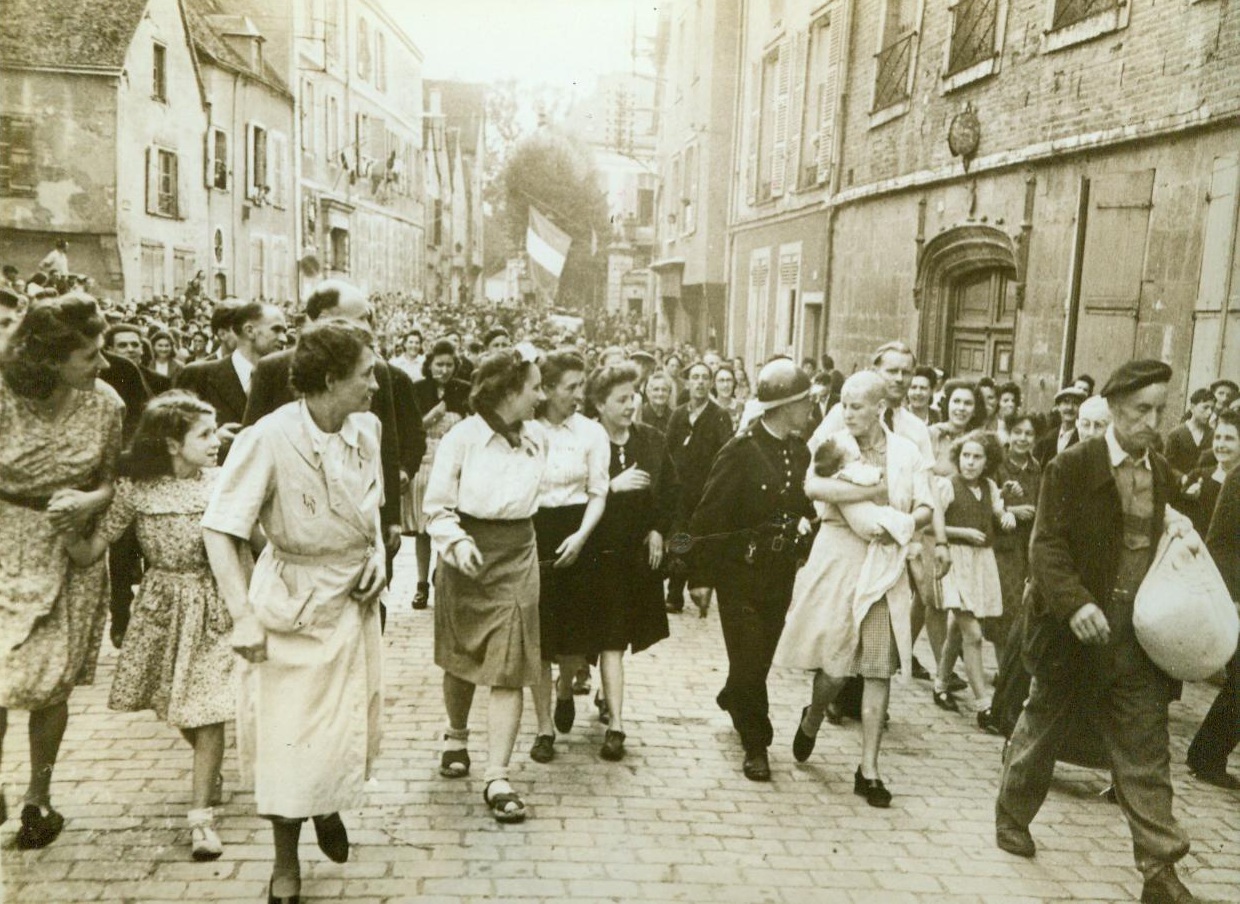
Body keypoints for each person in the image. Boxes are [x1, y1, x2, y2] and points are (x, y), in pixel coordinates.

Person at [995, 359, 1200, 904]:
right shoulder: (1071, 466)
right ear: (1112, 409)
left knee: (1144, 750)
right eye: (1141, 411)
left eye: (1160, 410)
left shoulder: (1158, 473)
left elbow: (1157, 535)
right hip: (1071, 632)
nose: (1153, 422)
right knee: (1043, 727)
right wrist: (1076, 604)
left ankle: (1160, 873)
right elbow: (1046, 546)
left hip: (1133, 638)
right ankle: (1012, 815)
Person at [202, 319, 387, 903]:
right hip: (291, 603)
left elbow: (371, 507)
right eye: (365, 374)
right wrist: (243, 615)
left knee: (347, 726)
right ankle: (286, 864)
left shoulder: (367, 429)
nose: (375, 384)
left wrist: (378, 556)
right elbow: (218, 528)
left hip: (353, 602)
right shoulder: (268, 437)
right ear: (330, 380)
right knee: (289, 740)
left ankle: (326, 802)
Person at [60, 392, 232, 861]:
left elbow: (252, 541)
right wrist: (64, 524)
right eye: (205, 434)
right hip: (161, 606)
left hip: (214, 602)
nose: (216, 442)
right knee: (178, 706)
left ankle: (201, 821)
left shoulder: (223, 482)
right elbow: (94, 548)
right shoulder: (136, 489)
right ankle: (208, 765)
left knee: (207, 706)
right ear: (172, 444)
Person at [775, 370, 934, 804]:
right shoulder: (835, 444)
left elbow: (925, 504)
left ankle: (869, 769)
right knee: (836, 668)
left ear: (880, 408)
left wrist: (902, 523)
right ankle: (812, 718)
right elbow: (812, 486)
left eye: (856, 405)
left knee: (878, 667)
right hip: (841, 558)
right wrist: (871, 494)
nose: (847, 413)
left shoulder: (906, 451)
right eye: (843, 404)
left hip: (885, 564)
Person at [0, 294, 122, 848]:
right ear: (49, 359)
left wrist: (88, 502)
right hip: (7, 543)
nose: (102, 364)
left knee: (52, 685)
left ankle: (38, 798)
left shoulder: (107, 406)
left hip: (70, 553)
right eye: (89, 356)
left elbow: (112, 480)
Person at [423, 348, 547, 824]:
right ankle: (456, 734)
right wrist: (455, 544)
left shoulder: (536, 438)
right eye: (534, 387)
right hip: (467, 552)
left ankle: (498, 775)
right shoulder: (463, 438)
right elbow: (436, 505)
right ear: (509, 391)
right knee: (462, 655)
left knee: (510, 662)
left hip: (518, 552)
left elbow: (551, 491)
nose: (541, 395)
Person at [688, 359, 815, 781]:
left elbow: (805, 507)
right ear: (783, 405)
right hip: (738, 573)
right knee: (748, 655)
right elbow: (707, 516)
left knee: (757, 659)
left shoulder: (800, 451)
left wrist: (806, 534)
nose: (810, 408)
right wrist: (698, 577)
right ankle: (756, 742)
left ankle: (734, 695)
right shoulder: (740, 450)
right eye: (803, 401)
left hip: (779, 574)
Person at [585, 363, 677, 761]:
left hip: (630, 560)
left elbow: (671, 493)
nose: (630, 405)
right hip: (588, 553)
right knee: (581, 641)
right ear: (599, 404)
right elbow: (565, 493)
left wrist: (658, 529)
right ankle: (572, 689)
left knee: (613, 640)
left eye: (632, 397)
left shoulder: (652, 440)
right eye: (621, 399)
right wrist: (610, 487)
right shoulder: (586, 440)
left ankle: (617, 723)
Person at [528, 352, 609, 764]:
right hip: (536, 531)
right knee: (539, 634)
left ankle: (564, 688)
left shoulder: (592, 433)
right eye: (571, 387)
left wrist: (581, 536)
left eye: (582, 386)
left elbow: (599, 491)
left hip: (580, 530)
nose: (580, 394)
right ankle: (543, 727)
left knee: (575, 630)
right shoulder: (526, 430)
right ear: (547, 388)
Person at [937, 430, 1016, 730]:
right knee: (973, 634)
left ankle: (941, 683)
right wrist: (963, 533)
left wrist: (1006, 515)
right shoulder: (947, 486)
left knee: (957, 629)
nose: (970, 463)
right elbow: (933, 526)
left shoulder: (991, 486)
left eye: (977, 457)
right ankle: (985, 706)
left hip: (981, 563)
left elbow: (998, 512)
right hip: (954, 563)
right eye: (965, 456)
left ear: (988, 461)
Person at [1185, 447, 1240, 789]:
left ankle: (1207, 754)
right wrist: (1233, 598)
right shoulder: (1238, 478)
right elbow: (1219, 542)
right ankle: (1206, 756)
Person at [665, 361, 735, 614]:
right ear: (688, 382)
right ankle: (674, 592)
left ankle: (700, 590)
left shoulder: (719, 416)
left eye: (705, 377)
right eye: (695, 377)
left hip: (706, 492)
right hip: (680, 491)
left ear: (711, 383)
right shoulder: (679, 414)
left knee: (700, 540)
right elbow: (667, 450)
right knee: (680, 538)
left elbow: (726, 453)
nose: (700, 382)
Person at [405, 340, 471, 609]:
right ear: (429, 365)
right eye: (439, 364)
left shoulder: (463, 391)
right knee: (423, 528)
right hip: (426, 461)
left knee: (449, 524)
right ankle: (421, 584)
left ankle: (441, 578)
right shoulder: (418, 389)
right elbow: (411, 428)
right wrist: (433, 416)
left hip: (454, 465)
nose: (444, 370)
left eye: (449, 365)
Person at [177, 302, 288, 461]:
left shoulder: (288, 379)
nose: (284, 338)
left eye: (284, 331)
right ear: (249, 330)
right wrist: (211, 438)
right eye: (276, 330)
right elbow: (172, 436)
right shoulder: (198, 375)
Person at [987, 413, 1040, 668]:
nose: (1022, 438)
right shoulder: (998, 466)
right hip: (1002, 547)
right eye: (1017, 432)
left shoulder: (1037, 469)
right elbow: (987, 505)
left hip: (1026, 549)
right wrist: (1012, 511)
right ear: (1008, 434)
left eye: (1028, 434)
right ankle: (1002, 671)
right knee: (1005, 611)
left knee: (1021, 610)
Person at [1180, 407, 1240, 537]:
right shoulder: (1198, 477)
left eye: (1229, 439)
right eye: (1217, 437)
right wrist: (1188, 500)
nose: (1220, 444)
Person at [1164, 388, 1214, 476]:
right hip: (1179, 487)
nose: (1209, 412)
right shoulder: (1176, 434)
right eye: (1205, 407)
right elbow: (1167, 466)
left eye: (1212, 409)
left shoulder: (1213, 435)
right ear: (1192, 407)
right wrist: (1183, 478)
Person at [1034, 386, 1086, 466]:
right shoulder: (1047, 438)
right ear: (1058, 407)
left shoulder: (1083, 439)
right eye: (1066, 402)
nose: (1070, 407)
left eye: (1075, 403)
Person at [712, 365, 743, 430]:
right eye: (721, 380)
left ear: (734, 383)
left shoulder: (742, 408)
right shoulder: (709, 408)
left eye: (729, 380)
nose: (725, 385)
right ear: (714, 384)